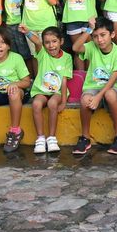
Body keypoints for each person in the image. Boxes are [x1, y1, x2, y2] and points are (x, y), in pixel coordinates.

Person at [74, 17, 117, 156]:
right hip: (93, 87)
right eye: (96, 36)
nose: (100, 40)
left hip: (111, 89)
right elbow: (76, 48)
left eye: (103, 35)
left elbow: (113, 78)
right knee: (85, 99)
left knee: (109, 94)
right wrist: (88, 30)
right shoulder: (92, 47)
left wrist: (99, 96)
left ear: (112, 35)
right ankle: (85, 137)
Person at [26, 26, 72, 155]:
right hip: (41, 90)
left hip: (57, 91)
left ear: (61, 41)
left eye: (54, 41)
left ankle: (52, 138)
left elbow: (64, 80)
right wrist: (27, 32)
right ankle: (40, 138)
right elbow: (36, 42)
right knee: (36, 104)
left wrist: (63, 101)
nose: (51, 45)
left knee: (52, 103)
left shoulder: (67, 57)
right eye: (47, 42)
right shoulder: (42, 53)